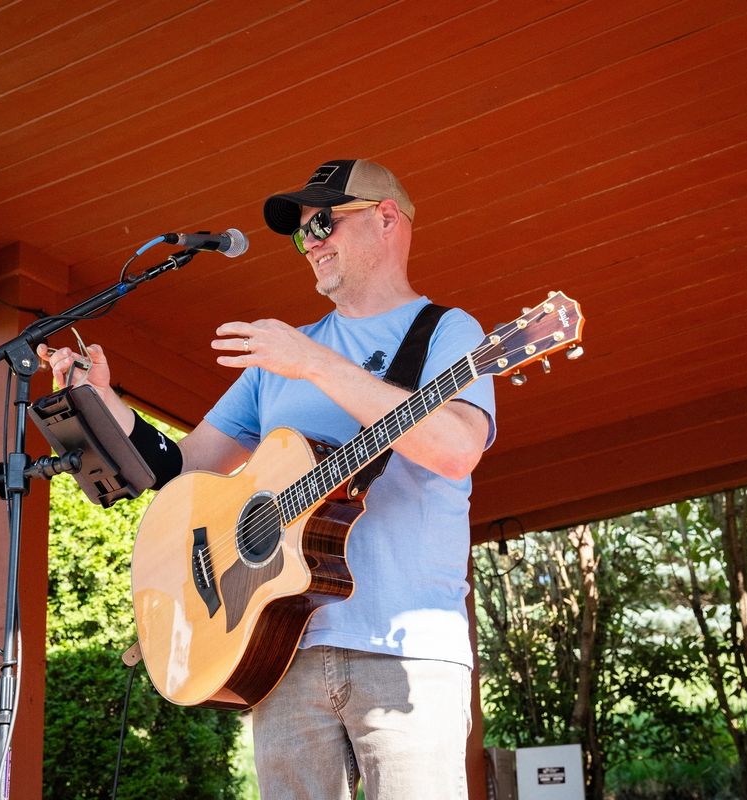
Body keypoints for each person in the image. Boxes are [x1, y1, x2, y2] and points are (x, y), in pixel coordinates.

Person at [39, 158, 496, 799]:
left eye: (323, 223)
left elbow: (454, 450)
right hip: (281, 651)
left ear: (387, 218)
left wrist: (316, 363)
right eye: (300, 233)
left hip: (407, 649)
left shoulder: (448, 332)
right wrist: (104, 404)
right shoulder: (277, 357)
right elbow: (180, 474)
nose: (309, 244)